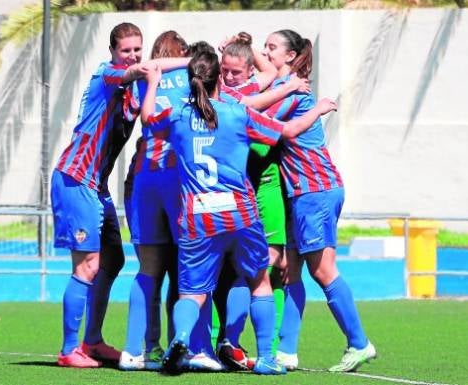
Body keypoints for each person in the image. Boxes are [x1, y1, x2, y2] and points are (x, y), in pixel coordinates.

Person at [140, 50, 335, 375]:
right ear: (219, 79)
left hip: (197, 216)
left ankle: (183, 337)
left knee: (192, 293)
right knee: (259, 281)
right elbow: (287, 131)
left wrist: (152, 83)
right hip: (240, 213)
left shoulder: (176, 116)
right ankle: (266, 358)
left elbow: (147, 120)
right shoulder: (237, 114)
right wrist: (319, 109)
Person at [51, 22, 188, 368]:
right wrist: (188, 61)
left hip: (97, 186)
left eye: (137, 49)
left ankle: (93, 341)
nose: (133, 55)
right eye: (126, 50)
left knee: (113, 261)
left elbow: (150, 74)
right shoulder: (107, 75)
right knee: (89, 265)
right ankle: (69, 350)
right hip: (76, 178)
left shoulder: (135, 87)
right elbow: (143, 70)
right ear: (113, 52)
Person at [261, 29, 376, 372]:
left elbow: (270, 125)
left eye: (271, 48)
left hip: (315, 190)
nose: (264, 53)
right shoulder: (282, 88)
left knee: (323, 271)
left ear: (291, 56)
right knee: (290, 271)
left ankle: (359, 342)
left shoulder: (293, 92)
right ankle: (286, 351)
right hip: (300, 193)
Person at [214, 32, 311, 371]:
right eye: (224, 70)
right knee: (246, 270)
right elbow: (273, 128)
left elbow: (265, 74)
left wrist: (245, 46)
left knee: (277, 266)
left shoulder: (262, 87)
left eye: (272, 48)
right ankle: (229, 340)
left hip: (268, 187)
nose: (228, 76)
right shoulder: (231, 95)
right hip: (241, 191)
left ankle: (278, 348)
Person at [119, 30, 189, 371]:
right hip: (177, 178)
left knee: (147, 270)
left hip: (144, 177)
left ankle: (137, 349)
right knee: (183, 271)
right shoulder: (193, 77)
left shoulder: (143, 77)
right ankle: (185, 346)